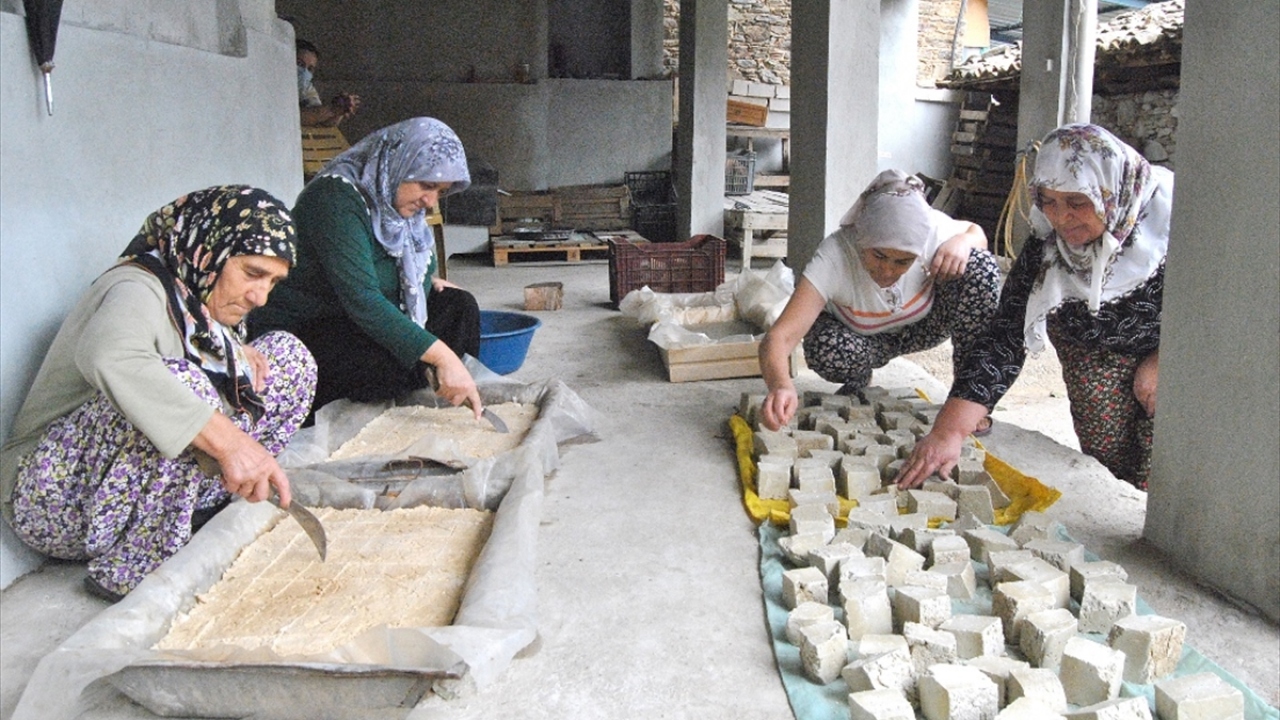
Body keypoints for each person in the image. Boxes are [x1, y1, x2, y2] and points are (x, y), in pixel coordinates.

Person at [0, 186, 316, 602]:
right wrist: (230, 441)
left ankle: (199, 513)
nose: (261, 296)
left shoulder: (198, 296)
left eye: (273, 282)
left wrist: (234, 353)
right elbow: (109, 355)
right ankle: (134, 567)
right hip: (58, 498)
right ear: (209, 249)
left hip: (133, 497)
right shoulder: (138, 286)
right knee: (181, 382)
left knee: (288, 358)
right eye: (253, 273)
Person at [896, 123, 1173, 491]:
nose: (1061, 217)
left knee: (1168, 459)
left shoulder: (1173, 229)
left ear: (1112, 192)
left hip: (1179, 350)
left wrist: (1167, 357)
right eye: (1048, 200)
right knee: (1113, 467)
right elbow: (1006, 336)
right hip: (1091, 354)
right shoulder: (1047, 249)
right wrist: (949, 431)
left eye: (1077, 202)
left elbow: (1227, 315)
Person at [250, 117, 485, 422]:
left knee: (458, 306)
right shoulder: (334, 199)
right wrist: (442, 356)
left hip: (352, 319)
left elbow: (411, 257)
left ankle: (445, 394)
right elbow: (363, 300)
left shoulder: (396, 203)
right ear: (397, 164)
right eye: (427, 185)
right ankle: (389, 407)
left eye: (440, 191)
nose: (430, 201)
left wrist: (426, 280)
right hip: (312, 326)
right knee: (387, 362)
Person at [758, 169, 1000, 432]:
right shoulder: (835, 255)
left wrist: (963, 242)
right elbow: (779, 337)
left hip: (921, 327)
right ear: (862, 239)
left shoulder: (931, 229)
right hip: (861, 339)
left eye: (903, 261)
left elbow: (976, 233)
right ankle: (859, 376)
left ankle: (967, 400)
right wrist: (781, 386)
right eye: (879, 256)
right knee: (826, 346)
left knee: (980, 266)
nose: (888, 271)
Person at [296, 38, 360, 128]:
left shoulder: (305, 86)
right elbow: (295, 117)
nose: (304, 71)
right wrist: (331, 110)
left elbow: (324, 122)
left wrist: (339, 110)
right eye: (299, 64)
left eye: (310, 69)